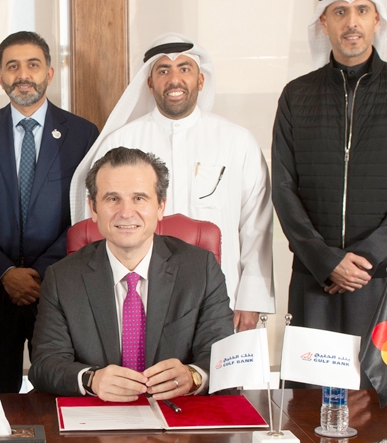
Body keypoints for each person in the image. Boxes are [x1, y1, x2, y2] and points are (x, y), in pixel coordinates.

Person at [271, 0, 387, 384]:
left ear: (376, 20)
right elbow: (284, 188)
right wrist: (327, 261)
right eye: (340, 12)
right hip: (317, 280)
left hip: (386, 278)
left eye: (362, 11)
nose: (352, 22)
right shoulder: (296, 95)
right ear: (323, 23)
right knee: (312, 402)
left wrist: (365, 258)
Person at [70, 32, 274, 330]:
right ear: (150, 83)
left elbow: (256, 225)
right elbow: (98, 224)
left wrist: (251, 299)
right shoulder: (120, 142)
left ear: (200, 80)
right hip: (136, 295)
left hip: (221, 294)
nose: (174, 79)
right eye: (163, 70)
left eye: (184, 69)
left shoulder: (237, 141)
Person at [30, 147, 234, 400]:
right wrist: (91, 379)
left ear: (160, 207)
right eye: (112, 199)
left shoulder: (200, 269)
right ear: (93, 208)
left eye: (139, 198)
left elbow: (223, 358)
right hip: (98, 416)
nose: (126, 212)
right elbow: (45, 365)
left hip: (178, 414)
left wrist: (193, 376)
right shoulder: (62, 278)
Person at [0, 32, 99, 393]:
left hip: (58, 291)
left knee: (60, 393)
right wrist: (4, 272)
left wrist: (40, 274)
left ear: (49, 73)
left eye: (33, 65)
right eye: (13, 66)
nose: (23, 75)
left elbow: (86, 215)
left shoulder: (83, 134)